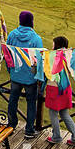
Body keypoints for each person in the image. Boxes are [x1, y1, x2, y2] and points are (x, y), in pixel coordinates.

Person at [5, 10, 44, 138]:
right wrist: (39, 76)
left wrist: (10, 69)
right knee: (31, 102)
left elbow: (8, 55)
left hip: (15, 74)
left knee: (13, 100)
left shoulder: (12, 35)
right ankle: (29, 130)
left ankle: (11, 124)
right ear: (31, 22)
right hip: (30, 77)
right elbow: (39, 59)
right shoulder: (36, 39)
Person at [44, 36, 75, 145]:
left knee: (53, 113)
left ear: (57, 45)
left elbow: (48, 70)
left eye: (53, 44)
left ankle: (56, 136)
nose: (52, 46)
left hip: (54, 88)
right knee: (65, 114)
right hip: (66, 88)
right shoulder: (68, 56)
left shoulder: (53, 57)